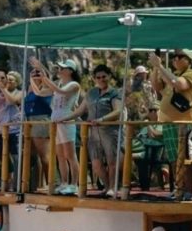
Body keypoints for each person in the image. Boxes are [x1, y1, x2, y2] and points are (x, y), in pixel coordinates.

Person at [148, 48, 192, 200]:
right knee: (173, 158)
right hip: (169, 124)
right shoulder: (173, 74)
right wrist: (155, 66)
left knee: (186, 158)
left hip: (184, 124)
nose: (176, 59)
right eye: (174, 57)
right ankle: (178, 189)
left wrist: (160, 66)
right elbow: (157, 87)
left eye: (180, 57)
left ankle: (189, 191)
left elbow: (178, 85)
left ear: (189, 61)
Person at [30, 56, 81, 194]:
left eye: (62, 68)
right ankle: (64, 183)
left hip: (66, 122)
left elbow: (61, 92)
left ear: (70, 71)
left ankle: (74, 184)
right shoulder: (59, 84)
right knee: (60, 155)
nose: (59, 69)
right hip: (56, 122)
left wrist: (44, 76)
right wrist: (33, 79)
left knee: (70, 154)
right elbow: (39, 92)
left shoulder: (74, 85)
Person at [70, 64, 122, 197]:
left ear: (109, 76)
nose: (101, 79)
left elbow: (118, 111)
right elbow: (80, 110)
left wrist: (102, 119)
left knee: (112, 161)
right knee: (96, 164)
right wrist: (64, 118)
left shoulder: (114, 93)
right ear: (94, 78)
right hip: (93, 133)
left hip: (110, 131)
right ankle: (106, 186)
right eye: (98, 77)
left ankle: (112, 188)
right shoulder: (91, 93)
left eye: (104, 76)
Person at [0, 69, 23, 187]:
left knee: (15, 156)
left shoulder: (19, 92)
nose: (2, 81)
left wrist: (3, 88)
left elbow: (12, 100)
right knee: (2, 157)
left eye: (3, 78)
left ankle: (16, 182)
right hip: (0, 131)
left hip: (13, 130)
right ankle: (7, 180)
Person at [24, 68, 53, 190]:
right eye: (33, 73)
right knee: (33, 156)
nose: (36, 75)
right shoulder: (29, 89)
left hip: (41, 121)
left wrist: (43, 72)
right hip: (29, 121)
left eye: (38, 73)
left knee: (44, 156)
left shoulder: (46, 88)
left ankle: (51, 183)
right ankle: (37, 184)